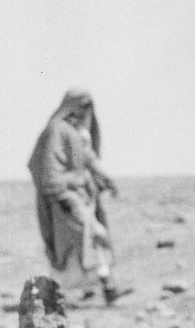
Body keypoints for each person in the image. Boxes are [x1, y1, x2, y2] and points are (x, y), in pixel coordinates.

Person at [27, 89, 129, 304]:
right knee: (90, 237)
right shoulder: (57, 131)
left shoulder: (72, 133)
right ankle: (100, 287)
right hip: (65, 200)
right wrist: (64, 194)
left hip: (78, 198)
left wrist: (106, 181)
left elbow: (81, 161)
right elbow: (48, 167)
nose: (85, 112)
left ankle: (102, 287)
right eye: (82, 106)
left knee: (90, 239)